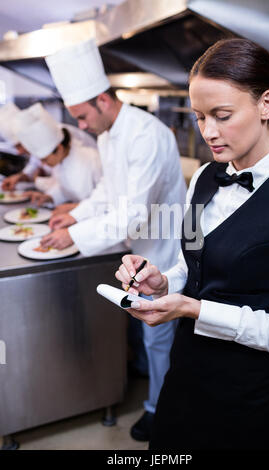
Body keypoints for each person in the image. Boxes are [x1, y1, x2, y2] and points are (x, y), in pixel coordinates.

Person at [116, 38, 269, 450]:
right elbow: (190, 263)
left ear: (266, 105)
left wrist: (193, 309)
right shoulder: (203, 177)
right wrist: (162, 283)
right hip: (188, 375)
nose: (208, 133)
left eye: (222, 115)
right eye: (199, 117)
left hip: (255, 396)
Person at [44, 38, 187, 440]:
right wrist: (75, 213)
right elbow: (109, 191)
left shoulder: (146, 135)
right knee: (143, 329)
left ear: (102, 101)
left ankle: (159, 408)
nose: (81, 128)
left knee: (159, 334)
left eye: (82, 117)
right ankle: (146, 373)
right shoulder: (108, 135)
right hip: (135, 247)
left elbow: (133, 214)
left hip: (162, 249)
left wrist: (72, 233)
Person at [13, 102, 101, 207]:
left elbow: (106, 200)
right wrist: (49, 197)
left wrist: (74, 209)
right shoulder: (61, 162)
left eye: (45, 159)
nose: (44, 164)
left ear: (59, 148)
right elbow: (65, 189)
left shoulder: (93, 159)